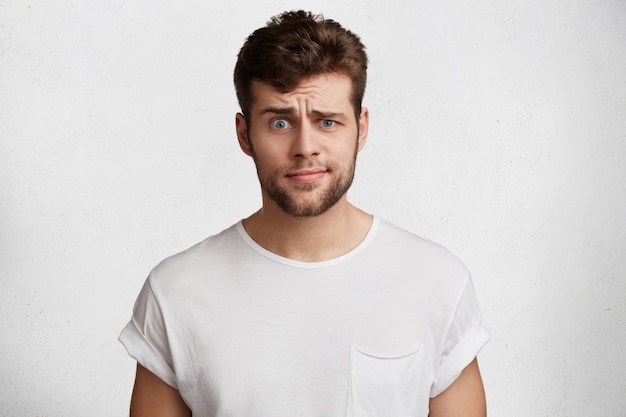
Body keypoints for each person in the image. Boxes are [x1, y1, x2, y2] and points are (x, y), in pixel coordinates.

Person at [119, 10, 490, 417]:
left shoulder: (437, 281)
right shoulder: (176, 292)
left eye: (327, 122)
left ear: (360, 129)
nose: (305, 146)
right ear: (244, 134)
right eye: (280, 122)